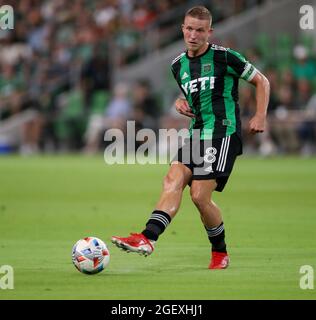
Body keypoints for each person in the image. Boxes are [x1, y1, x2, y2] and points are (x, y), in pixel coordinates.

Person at [112, 6, 270, 269]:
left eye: (200, 30)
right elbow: (194, 95)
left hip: (222, 132)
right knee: (171, 180)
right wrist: (180, 102)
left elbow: (262, 81)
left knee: (199, 196)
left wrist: (260, 115)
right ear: (182, 29)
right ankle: (147, 238)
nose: (194, 35)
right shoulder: (178, 65)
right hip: (196, 133)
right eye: (189, 28)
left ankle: (220, 253)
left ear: (209, 32)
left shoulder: (225, 57)